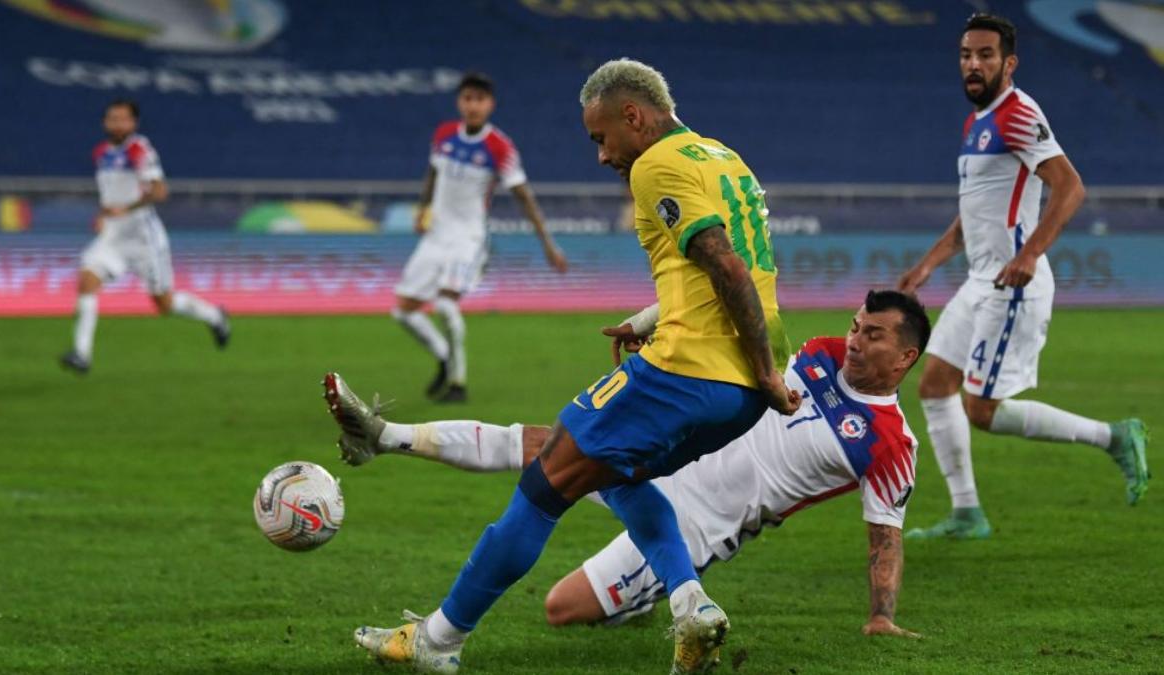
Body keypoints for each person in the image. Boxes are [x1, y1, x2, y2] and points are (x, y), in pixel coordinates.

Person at [327, 58, 797, 674]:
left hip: (688, 371)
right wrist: (664, 326)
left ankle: (437, 642)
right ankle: (691, 607)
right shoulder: (724, 158)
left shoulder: (655, 165)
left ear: (633, 115)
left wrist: (766, 370)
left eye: (602, 137)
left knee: (544, 484)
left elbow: (726, 267)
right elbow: (738, 269)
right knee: (617, 477)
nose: (602, 156)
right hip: (739, 395)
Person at [325, 290, 931, 640]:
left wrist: (881, 617)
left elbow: (886, 537)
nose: (855, 341)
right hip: (672, 454)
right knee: (542, 446)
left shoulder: (891, 445)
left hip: (700, 524)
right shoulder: (820, 352)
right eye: (856, 326)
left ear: (905, 357)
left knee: (560, 609)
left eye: (873, 336)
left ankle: (650, 597)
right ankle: (384, 436)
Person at [897, 13, 1149, 540]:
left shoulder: (1017, 113)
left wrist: (1031, 254)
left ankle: (1113, 436)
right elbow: (974, 213)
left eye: (985, 55)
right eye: (966, 54)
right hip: (980, 280)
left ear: (1008, 63)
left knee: (982, 409)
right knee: (935, 383)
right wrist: (927, 265)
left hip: (1012, 285)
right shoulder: (977, 123)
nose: (973, 64)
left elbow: (1070, 186)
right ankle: (967, 513)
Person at [395, 72, 568, 403]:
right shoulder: (444, 134)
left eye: (480, 99)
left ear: (491, 104)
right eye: (467, 98)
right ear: (459, 102)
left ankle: (458, 384)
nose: (473, 105)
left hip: (468, 238)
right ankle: (444, 356)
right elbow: (432, 173)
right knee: (403, 311)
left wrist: (548, 244)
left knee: (445, 304)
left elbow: (524, 197)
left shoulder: (500, 147)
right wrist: (422, 209)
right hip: (436, 235)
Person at [59, 98, 230, 374]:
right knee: (87, 280)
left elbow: (159, 191)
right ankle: (81, 354)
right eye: (112, 119)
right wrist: (103, 214)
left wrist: (126, 209)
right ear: (105, 122)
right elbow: (112, 194)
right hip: (114, 236)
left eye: (123, 119)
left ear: (133, 123)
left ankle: (214, 316)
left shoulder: (139, 149)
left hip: (144, 238)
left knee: (164, 303)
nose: (117, 124)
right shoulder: (101, 153)